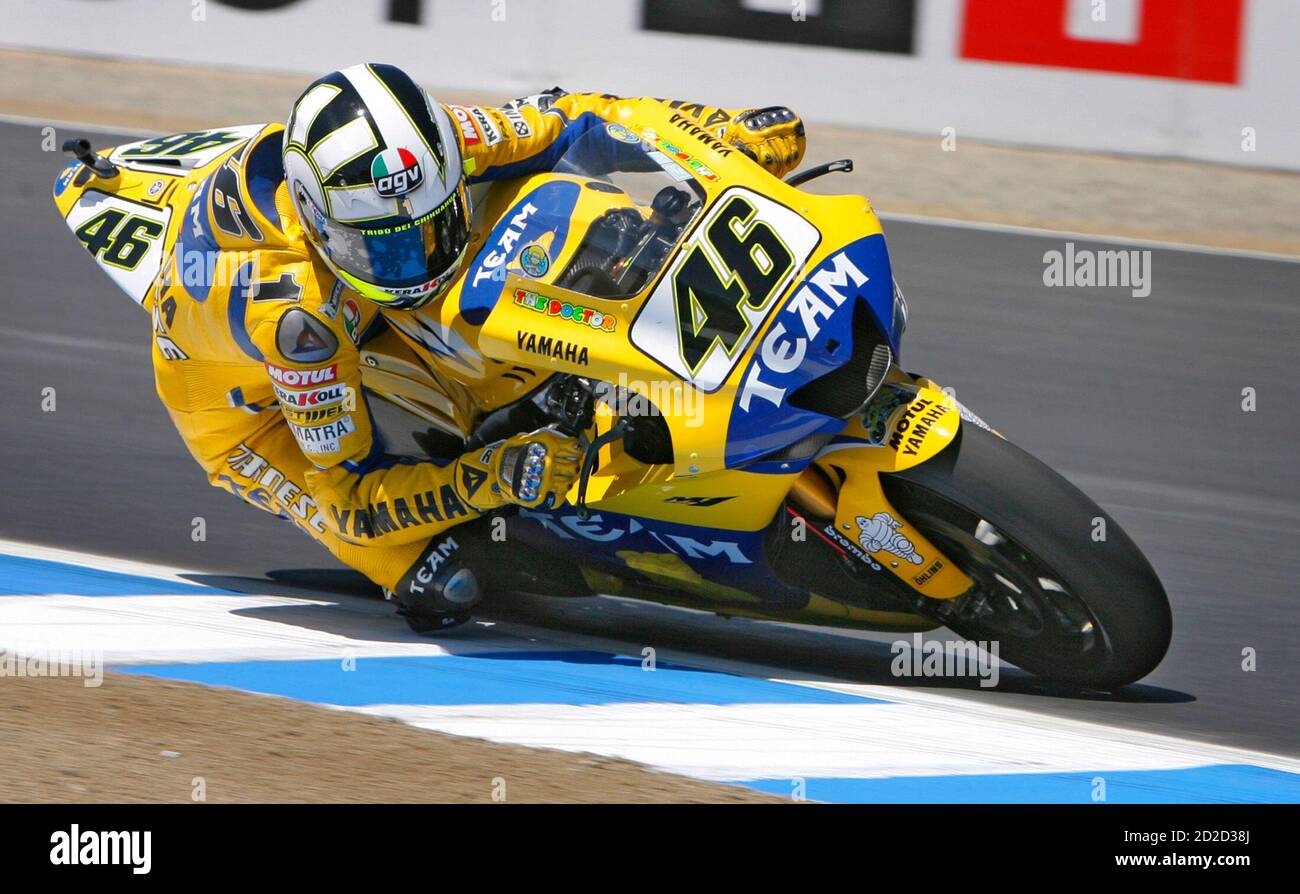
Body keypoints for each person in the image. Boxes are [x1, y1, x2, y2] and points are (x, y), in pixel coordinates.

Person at [148, 62, 807, 631]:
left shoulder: (425, 149)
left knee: (542, 243)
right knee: (444, 579)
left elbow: (575, 121)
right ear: (323, 228)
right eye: (381, 245)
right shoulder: (297, 321)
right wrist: (494, 476)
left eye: (431, 228)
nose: (414, 261)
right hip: (240, 408)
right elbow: (347, 500)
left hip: (350, 302)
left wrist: (715, 134)